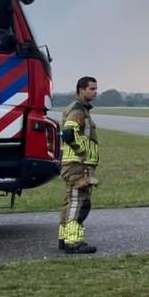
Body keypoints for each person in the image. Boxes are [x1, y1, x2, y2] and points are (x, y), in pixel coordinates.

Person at [58, 76, 100, 254]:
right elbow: (68, 133)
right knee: (79, 202)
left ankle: (64, 237)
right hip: (77, 164)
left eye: (96, 89)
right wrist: (82, 153)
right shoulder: (77, 110)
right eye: (91, 89)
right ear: (81, 90)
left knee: (70, 201)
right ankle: (73, 242)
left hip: (75, 163)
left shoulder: (81, 109)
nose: (95, 92)